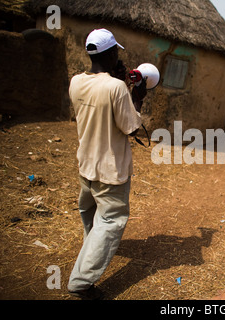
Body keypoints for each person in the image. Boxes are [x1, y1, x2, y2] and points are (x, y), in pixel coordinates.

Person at [67, 28, 143, 299]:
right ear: (110, 53)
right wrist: (138, 96)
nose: (119, 56)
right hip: (110, 172)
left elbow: (98, 106)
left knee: (91, 217)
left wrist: (117, 82)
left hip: (86, 167)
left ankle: (90, 254)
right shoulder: (116, 87)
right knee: (110, 220)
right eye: (116, 52)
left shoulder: (76, 81)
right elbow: (131, 128)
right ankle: (81, 283)